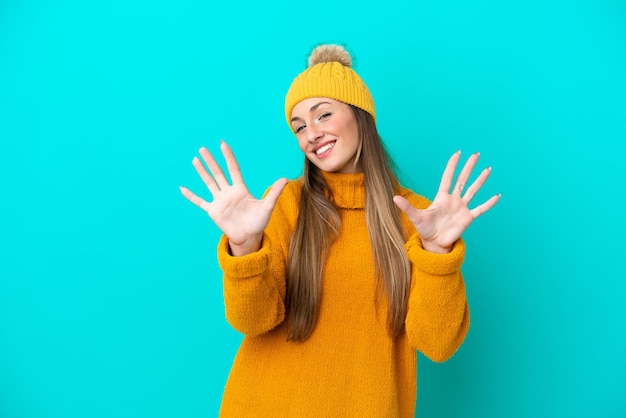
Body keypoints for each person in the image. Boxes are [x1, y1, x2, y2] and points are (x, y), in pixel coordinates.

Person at [180, 44, 500, 417]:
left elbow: (438, 344)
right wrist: (244, 246)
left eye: (323, 115)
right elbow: (253, 322)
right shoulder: (284, 204)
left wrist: (438, 256)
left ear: (360, 116)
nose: (310, 135)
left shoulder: (416, 218)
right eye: (299, 127)